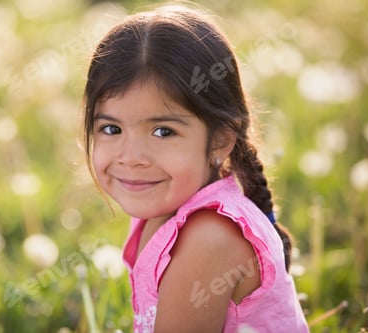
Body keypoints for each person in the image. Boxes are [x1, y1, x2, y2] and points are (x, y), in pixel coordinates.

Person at [82, 4, 309, 332]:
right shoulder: (166, 208)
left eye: (163, 131)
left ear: (219, 140)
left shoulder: (209, 239)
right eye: (111, 129)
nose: (131, 157)